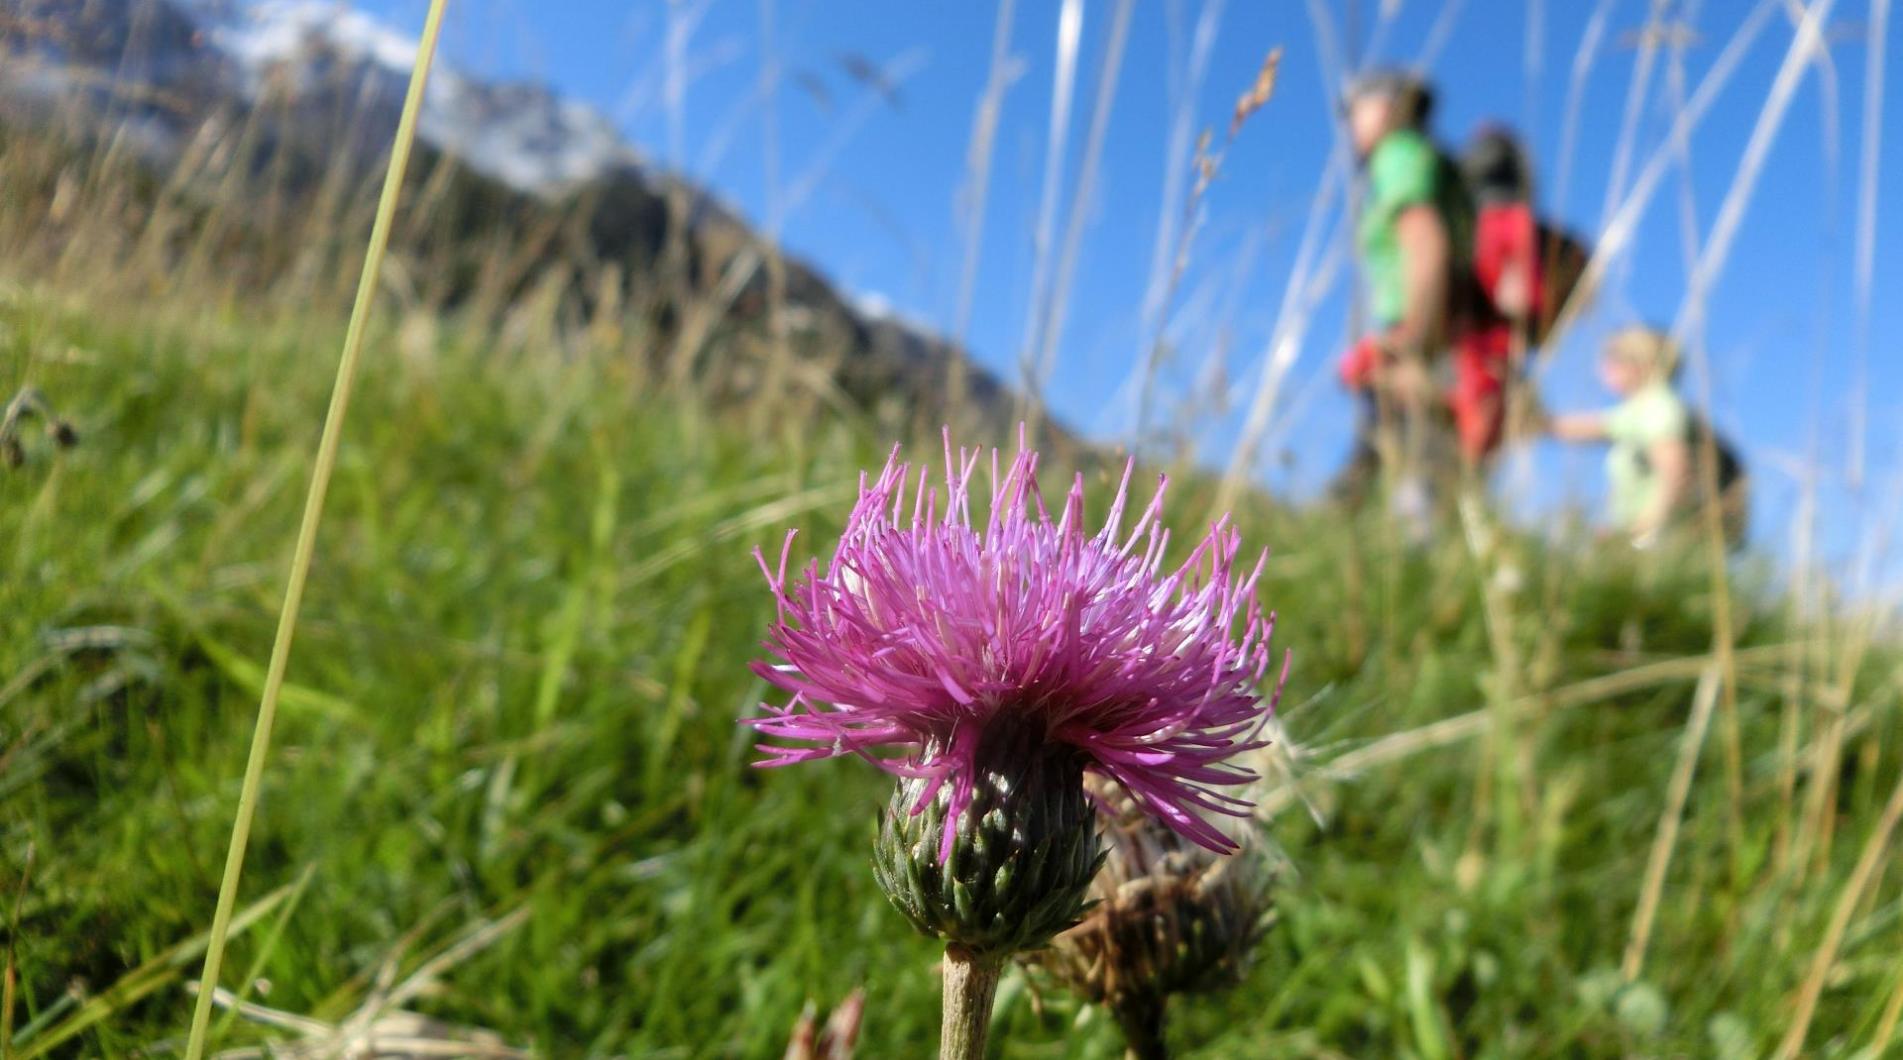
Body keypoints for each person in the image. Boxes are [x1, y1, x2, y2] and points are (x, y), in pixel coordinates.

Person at [1333, 69, 1475, 512]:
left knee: (1416, 454)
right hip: (1442, 325)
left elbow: (1425, 239)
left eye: (1357, 108)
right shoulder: (1429, 159)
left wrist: (1412, 340)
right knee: (1394, 442)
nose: (1350, 121)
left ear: (1390, 105)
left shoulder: (1398, 152)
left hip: (1424, 328)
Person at [1546, 326, 1748, 548]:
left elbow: (1676, 472)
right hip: (1647, 535)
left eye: (1612, 358)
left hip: (1660, 540)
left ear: (1640, 363)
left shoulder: (1659, 406)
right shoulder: (1638, 409)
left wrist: (1643, 532)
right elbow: (1588, 427)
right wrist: (1538, 422)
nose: (1602, 367)